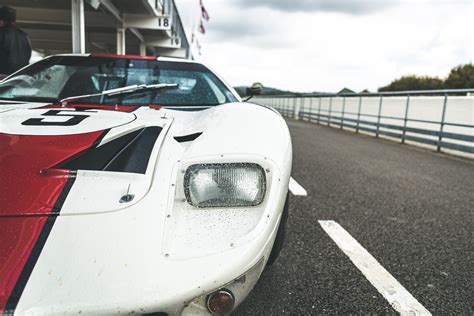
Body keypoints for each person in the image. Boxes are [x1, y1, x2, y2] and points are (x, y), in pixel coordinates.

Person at [0, 6, 32, 75]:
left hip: (3, 76)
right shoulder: (25, 36)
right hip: (19, 76)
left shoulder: (1, 33)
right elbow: (28, 55)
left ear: (1, 20)